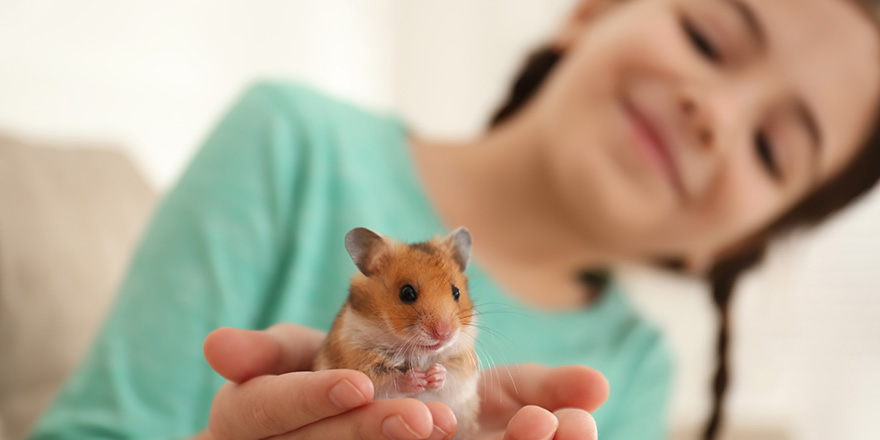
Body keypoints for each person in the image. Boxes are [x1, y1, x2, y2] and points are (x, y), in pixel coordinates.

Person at [29, 0, 880, 439]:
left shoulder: (633, 370)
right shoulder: (292, 140)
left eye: (772, 149)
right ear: (591, 12)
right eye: (706, 33)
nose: (714, 115)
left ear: (733, 248)